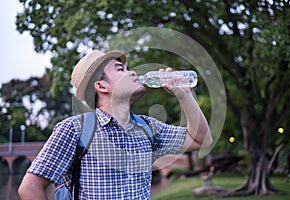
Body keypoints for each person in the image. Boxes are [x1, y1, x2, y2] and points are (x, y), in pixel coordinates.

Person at [18, 50, 212, 199]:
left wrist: (185, 95)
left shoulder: (148, 128)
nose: (133, 72)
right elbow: (30, 187)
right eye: (121, 70)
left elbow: (202, 140)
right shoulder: (75, 129)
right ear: (102, 86)